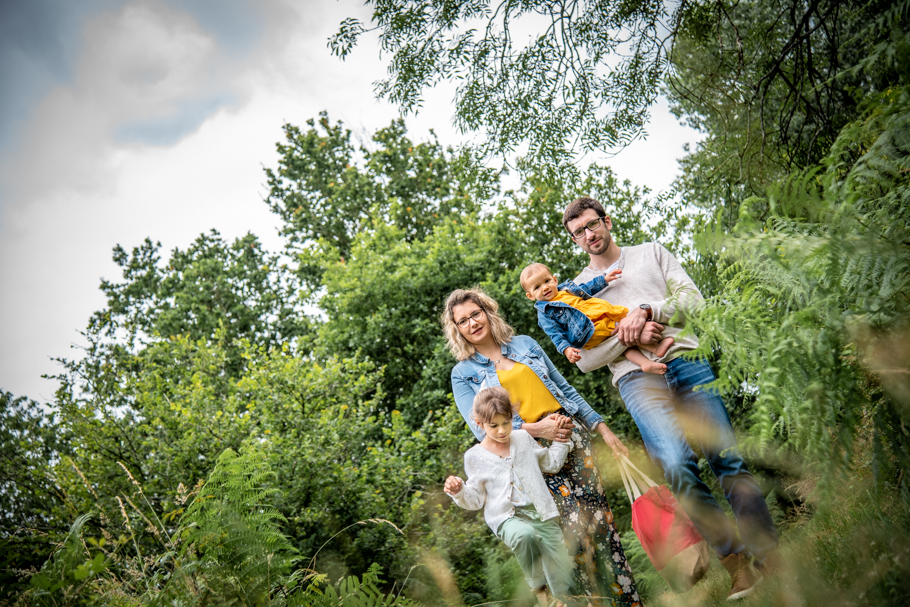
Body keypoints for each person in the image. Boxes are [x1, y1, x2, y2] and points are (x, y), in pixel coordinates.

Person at [562, 196, 781, 600]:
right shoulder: (574, 291)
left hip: (686, 359)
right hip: (636, 380)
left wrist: (646, 311)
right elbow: (586, 360)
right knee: (678, 467)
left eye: (592, 225)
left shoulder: (651, 254)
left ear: (607, 221)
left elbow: (694, 302)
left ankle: (771, 557)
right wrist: (631, 335)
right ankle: (737, 567)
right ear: (573, 238)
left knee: (726, 458)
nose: (588, 235)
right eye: (579, 232)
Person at [443, 287, 642, 607]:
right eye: (463, 321)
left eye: (475, 314)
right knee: (566, 538)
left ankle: (628, 603)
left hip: (571, 437)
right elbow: (482, 429)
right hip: (528, 454)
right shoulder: (463, 374)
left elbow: (565, 390)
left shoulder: (525, 344)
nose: (472, 323)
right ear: (458, 330)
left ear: (487, 311)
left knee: (600, 526)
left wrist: (602, 428)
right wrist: (537, 428)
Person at [444, 387, 577, 607]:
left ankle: (565, 600)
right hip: (508, 519)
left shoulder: (523, 437)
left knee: (565, 585)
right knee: (524, 535)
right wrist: (459, 491)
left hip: (542, 512)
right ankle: (538, 588)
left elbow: (550, 464)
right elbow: (476, 499)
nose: (502, 430)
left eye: (506, 422)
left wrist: (562, 441)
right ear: (480, 424)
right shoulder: (474, 457)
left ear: (511, 417)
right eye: (493, 426)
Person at [520, 262, 675, 375]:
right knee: (623, 328)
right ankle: (656, 348)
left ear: (554, 280)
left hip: (598, 317)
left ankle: (645, 363)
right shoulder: (545, 312)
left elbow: (586, 289)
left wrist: (604, 280)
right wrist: (566, 349)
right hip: (588, 330)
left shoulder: (567, 289)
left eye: (546, 281)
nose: (545, 287)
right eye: (537, 287)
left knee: (623, 342)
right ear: (530, 296)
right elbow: (555, 334)